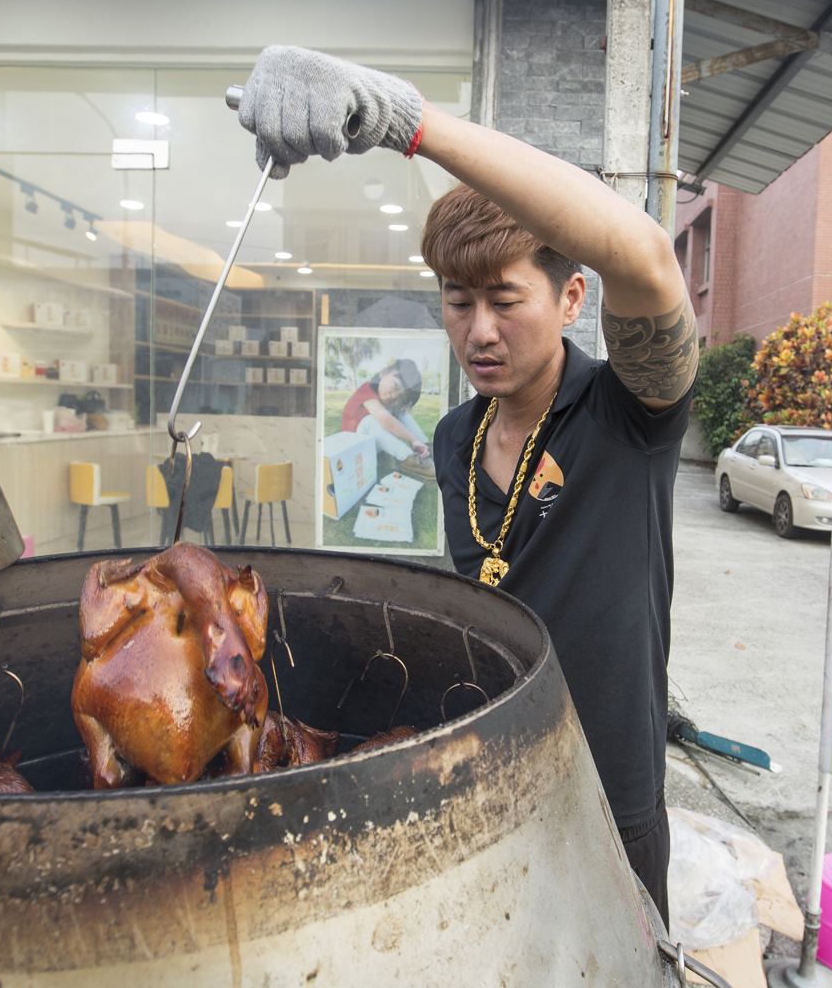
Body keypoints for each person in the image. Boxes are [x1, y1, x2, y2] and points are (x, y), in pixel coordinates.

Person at [237, 46, 697, 923]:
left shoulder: (628, 413)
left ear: (570, 300)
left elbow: (641, 252)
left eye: (505, 299)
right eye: (457, 302)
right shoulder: (456, 436)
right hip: (492, 775)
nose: (479, 330)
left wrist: (408, 124)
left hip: (606, 790)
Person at [340, 358, 435, 479]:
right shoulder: (366, 389)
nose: (394, 396)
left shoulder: (387, 399)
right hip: (352, 451)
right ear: (383, 373)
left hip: (371, 448)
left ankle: (426, 448)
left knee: (403, 413)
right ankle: (409, 459)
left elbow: (394, 418)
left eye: (401, 397)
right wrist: (412, 439)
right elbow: (387, 421)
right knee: (369, 422)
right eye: (396, 385)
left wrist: (402, 408)